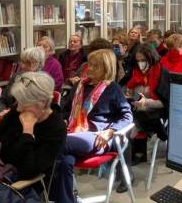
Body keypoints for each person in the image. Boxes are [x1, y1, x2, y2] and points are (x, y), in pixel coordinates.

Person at [0, 72, 67, 195]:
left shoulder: (56, 128)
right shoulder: (17, 110)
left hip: (19, 186)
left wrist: (27, 132)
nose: (18, 108)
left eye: (24, 103)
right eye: (18, 102)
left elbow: (28, 171)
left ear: (43, 102)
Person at [55, 49, 133, 203]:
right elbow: (65, 110)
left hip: (100, 136)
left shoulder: (112, 89)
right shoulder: (80, 85)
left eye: (95, 66)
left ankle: (34, 189)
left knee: (55, 142)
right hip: (74, 132)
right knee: (64, 163)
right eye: (89, 64)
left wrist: (110, 131)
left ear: (107, 69)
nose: (89, 69)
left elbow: (128, 116)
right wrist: (64, 120)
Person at [126, 44, 165, 165]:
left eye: (143, 60)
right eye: (138, 61)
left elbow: (164, 102)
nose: (140, 64)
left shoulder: (161, 73)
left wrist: (147, 102)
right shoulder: (136, 73)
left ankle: (134, 152)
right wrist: (128, 95)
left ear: (151, 58)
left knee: (138, 118)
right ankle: (128, 151)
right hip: (137, 107)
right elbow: (130, 92)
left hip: (155, 110)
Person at [0, 46, 45, 117]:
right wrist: (1, 111)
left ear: (38, 64)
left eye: (27, 63)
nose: (22, 66)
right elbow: (3, 99)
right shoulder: (16, 76)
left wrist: (10, 113)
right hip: (9, 116)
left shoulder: (43, 82)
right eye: (22, 62)